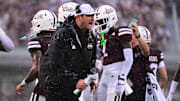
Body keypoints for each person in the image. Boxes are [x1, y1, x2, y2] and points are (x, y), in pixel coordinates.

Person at [37, 3, 97, 101]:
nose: (92, 19)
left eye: (93, 15)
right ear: (79, 17)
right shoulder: (63, 34)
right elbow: (55, 64)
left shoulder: (91, 38)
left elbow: (90, 61)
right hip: (55, 88)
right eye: (88, 15)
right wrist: (75, 81)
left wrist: (89, 76)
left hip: (72, 89)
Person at [93, 5, 134, 101]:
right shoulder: (103, 36)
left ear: (110, 19)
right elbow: (103, 54)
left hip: (116, 74)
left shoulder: (119, 33)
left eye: (101, 22)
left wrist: (122, 78)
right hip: (105, 74)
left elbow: (129, 58)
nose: (99, 25)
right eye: (97, 22)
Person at [16, 10, 57, 101]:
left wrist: (23, 83)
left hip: (43, 90)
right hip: (61, 90)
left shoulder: (36, 41)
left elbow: (36, 69)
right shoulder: (60, 40)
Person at [137, 26, 167, 101]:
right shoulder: (157, 53)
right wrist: (157, 90)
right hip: (152, 90)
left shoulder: (136, 54)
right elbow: (164, 77)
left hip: (139, 91)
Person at [122, 25, 150, 101]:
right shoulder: (125, 49)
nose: (130, 37)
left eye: (132, 35)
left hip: (139, 90)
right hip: (125, 88)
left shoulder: (140, 50)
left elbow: (147, 52)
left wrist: (137, 35)